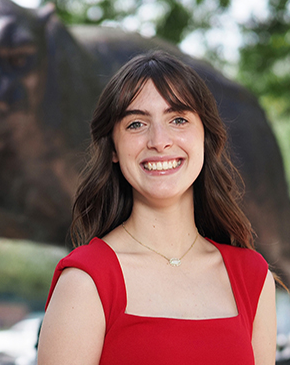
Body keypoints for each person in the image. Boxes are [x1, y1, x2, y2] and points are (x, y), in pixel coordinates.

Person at [37, 51, 277, 365]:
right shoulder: (86, 282)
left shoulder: (253, 278)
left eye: (178, 119)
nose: (159, 141)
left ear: (204, 137)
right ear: (113, 148)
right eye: (136, 124)